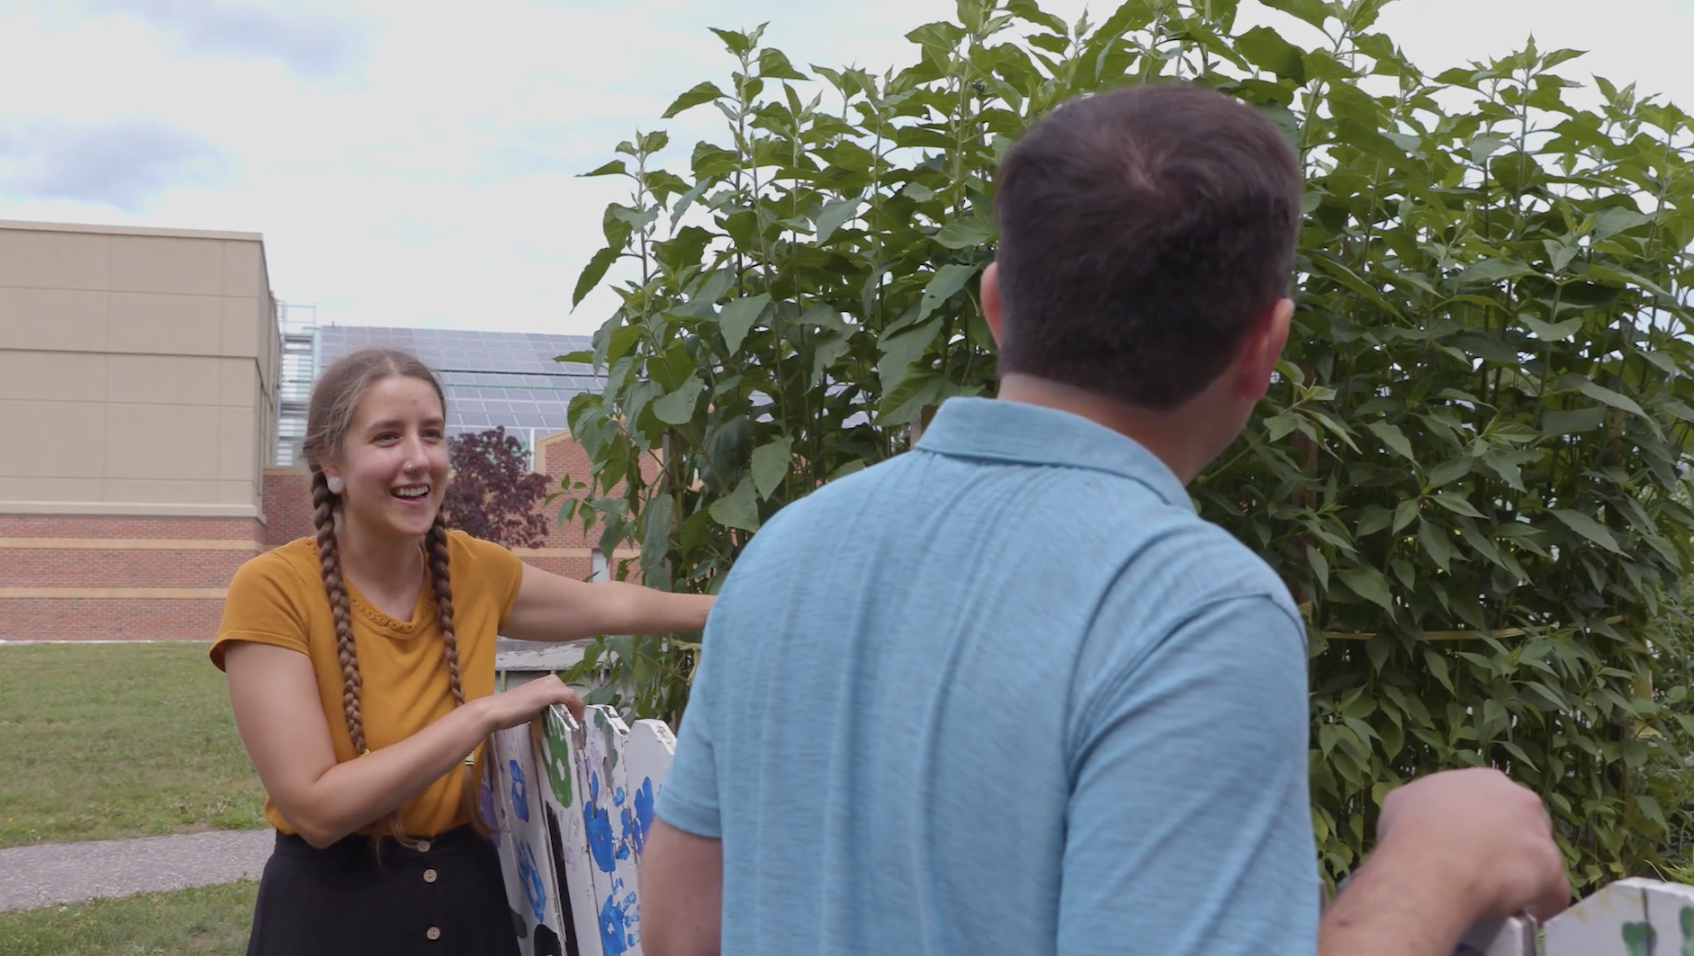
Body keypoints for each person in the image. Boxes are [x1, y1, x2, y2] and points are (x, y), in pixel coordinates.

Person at [637, 82, 1568, 956]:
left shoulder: (790, 549)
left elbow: (680, 930)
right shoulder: (1192, 608)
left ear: (996, 306)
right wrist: (1437, 865)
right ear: (1266, 346)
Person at [211, 347, 714, 956]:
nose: (418, 458)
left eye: (432, 434)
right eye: (387, 436)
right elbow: (317, 811)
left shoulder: (472, 569)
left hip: (468, 904)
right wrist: (482, 714)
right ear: (329, 461)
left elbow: (612, 606)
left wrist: (745, 606)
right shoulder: (273, 589)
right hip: (330, 916)